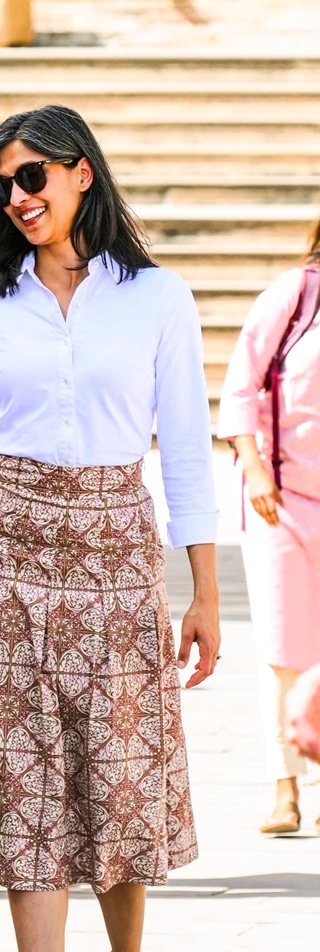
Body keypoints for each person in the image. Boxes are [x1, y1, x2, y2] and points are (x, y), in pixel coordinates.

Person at [0, 105, 220, 952]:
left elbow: (184, 447)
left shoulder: (156, 299)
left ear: (80, 175)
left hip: (115, 548)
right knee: (23, 792)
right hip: (4, 549)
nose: (17, 200)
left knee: (114, 786)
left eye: (32, 180)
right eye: (2, 186)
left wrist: (202, 591)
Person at [219, 221, 320, 836]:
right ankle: (284, 788)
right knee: (285, 652)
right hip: (279, 499)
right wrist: (254, 469)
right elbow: (239, 388)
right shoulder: (295, 294)